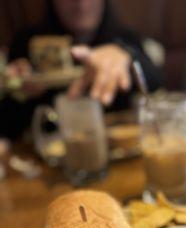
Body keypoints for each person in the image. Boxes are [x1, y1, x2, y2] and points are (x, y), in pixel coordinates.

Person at [0, 0, 163, 139]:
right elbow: (7, 129)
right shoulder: (26, 44)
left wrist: (126, 56)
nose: (81, 4)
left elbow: (156, 81)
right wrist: (17, 93)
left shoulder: (126, 38)